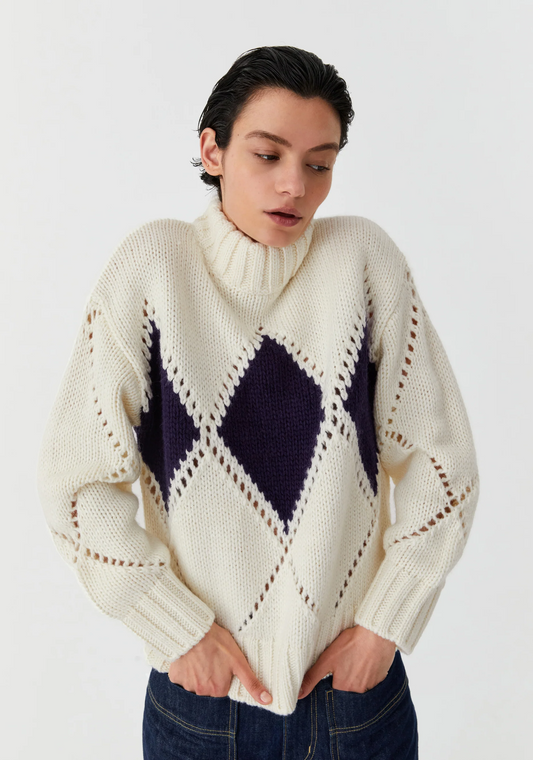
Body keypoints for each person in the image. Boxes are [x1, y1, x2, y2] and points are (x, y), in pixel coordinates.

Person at [37, 45, 480, 759]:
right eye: (267, 155)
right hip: (201, 707)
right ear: (211, 150)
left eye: (319, 163)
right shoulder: (153, 269)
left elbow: (442, 462)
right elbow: (77, 480)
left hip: (354, 701)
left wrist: (383, 625)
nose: (294, 185)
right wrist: (174, 628)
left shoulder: (363, 262)